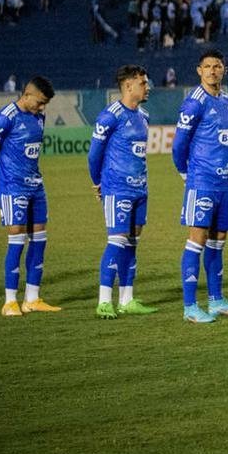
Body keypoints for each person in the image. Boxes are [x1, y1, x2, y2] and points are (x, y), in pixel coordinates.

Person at [172, 49, 228, 323]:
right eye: (208, 66)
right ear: (199, 70)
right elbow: (179, 145)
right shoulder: (194, 102)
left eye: (218, 66)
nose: (213, 71)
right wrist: (185, 174)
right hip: (202, 182)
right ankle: (190, 306)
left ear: (224, 70)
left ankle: (216, 301)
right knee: (197, 241)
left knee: (218, 243)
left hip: (225, 183)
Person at [0, 76, 61, 316]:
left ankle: (32, 298)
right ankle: (9, 301)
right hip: (12, 186)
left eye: (45, 104)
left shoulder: (39, 116)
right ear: (27, 95)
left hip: (36, 185)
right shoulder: (5, 117)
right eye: (40, 102)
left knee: (39, 238)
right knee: (16, 238)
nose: (42, 107)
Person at [89, 65, 157, 319]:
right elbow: (94, 154)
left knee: (132, 243)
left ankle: (127, 298)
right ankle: (104, 300)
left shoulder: (144, 115)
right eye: (143, 83)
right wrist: (98, 182)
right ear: (129, 86)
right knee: (116, 241)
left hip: (140, 188)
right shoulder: (110, 116)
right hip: (117, 188)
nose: (147, 87)